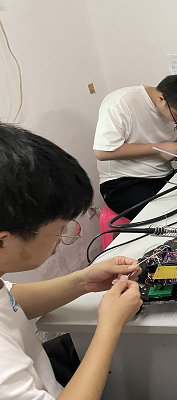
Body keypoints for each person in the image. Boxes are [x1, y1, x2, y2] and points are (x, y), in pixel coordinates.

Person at [0, 123, 143, 399]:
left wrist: (83, 281)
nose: (65, 234)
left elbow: (10, 301)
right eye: (60, 228)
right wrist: (109, 326)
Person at [93, 73, 177, 220]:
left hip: (163, 177)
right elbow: (102, 152)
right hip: (124, 183)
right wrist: (158, 149)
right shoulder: (120, 103)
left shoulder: (176, 107)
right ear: (161, 98)